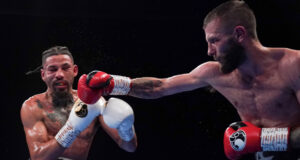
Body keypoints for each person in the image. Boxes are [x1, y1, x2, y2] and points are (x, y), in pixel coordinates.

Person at [76, 1, 300, 160]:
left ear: (240, 34)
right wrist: (113, 84)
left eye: (214, 41)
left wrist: (262, 139)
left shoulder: (293, 64)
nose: (209, 51)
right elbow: (160, 87)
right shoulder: (215, 73)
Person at [21, 46, 137, 160]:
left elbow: (129, 147)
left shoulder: (93, 102)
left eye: (65, 68)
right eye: (52, 69)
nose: (59, 75)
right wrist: (72, 128)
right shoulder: (33, 107)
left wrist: (126, 128)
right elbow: (38, 157)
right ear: (43, 74)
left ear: (75, 70)